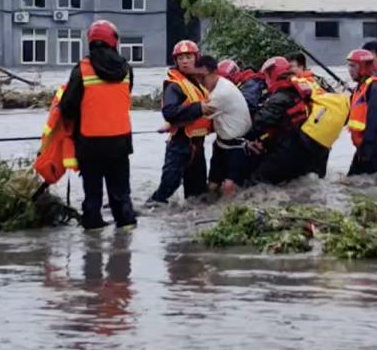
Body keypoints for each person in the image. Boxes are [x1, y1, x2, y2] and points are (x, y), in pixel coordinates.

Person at [57, 20, 136, 230]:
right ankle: (126, 230)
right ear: (114, 41)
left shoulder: (81, 70)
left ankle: (92, 233)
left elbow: (67, 107)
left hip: (89, 143)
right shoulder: (127, 69)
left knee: (92, 195)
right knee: (121, 194)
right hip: (120, 142)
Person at [245, 56, 328, 185]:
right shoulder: (302, 88)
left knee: (256, 181)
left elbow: (259, 123)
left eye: (267, 76)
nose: (266, 80)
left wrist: (242, 136)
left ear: (273, 74)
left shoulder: (281, 96)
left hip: (291, 149)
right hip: (311, 147)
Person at [149, 40, 213, 204]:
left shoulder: (200, 82)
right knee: (168, 189)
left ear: (196, 58)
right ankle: (148, 212)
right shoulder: (174, 86)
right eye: (181, 58)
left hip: (197, 145)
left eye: (188, 57)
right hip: (179, 146)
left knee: (197, 195)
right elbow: (169, 112)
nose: (184, 61)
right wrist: (198, 108)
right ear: (175, 61)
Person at [199, 56, 252, 195]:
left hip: (236, 146)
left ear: (215, 72)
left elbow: (197, 118)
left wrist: (171, 127)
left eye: (202, 77)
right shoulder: (216, 86)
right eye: (196, 77)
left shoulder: (221, 93)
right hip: (221, 143)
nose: (200, 82)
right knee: (212, 186)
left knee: (229, 187)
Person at [346, 48, 377, 176]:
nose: (350, 70)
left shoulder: (375, 87)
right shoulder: (360, 88)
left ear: (363, 67)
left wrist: (367, 149)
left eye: (353, 66)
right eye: (349, 66)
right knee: (354, 184)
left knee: (366, 185)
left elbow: (375, 120)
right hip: (366, 146)